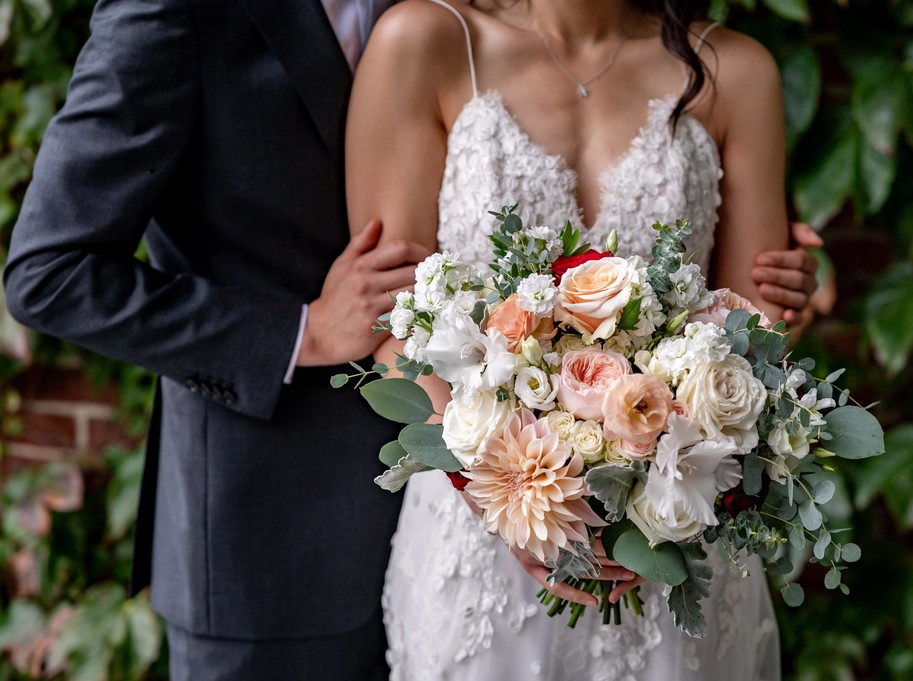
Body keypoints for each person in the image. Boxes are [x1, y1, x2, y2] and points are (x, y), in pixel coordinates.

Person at [3, 0, 817, 678]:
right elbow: (50, 271)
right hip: (299, 533)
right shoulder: (411, 36)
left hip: (645, 531)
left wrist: (762, 315)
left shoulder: (727, 71)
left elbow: (745, 308)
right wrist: (305, 332)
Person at [346, 0, 793, 678]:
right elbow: (392, 325)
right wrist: (509, 500)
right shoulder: (426, 42)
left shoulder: (736, 70)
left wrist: (649, 503)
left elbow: (752, 330)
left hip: (672, 526)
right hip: (478, 540)